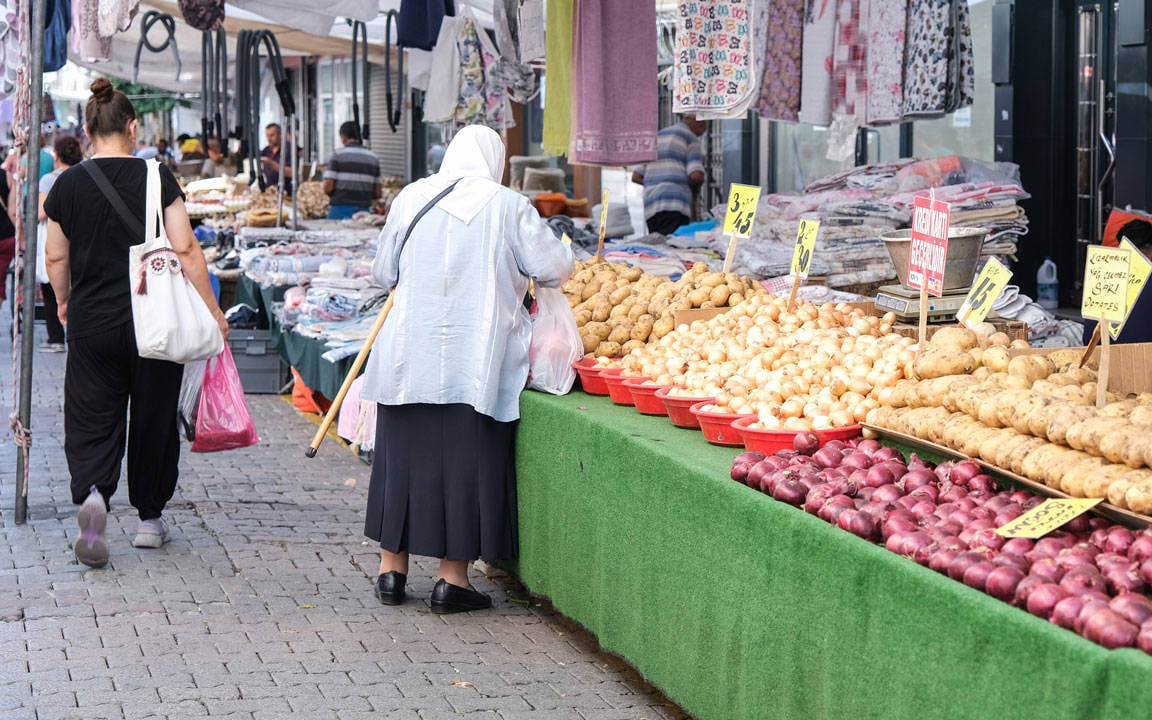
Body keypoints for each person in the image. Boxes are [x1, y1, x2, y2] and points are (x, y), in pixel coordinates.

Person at [361, 125, 574, 614]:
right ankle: (451, 580)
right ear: (494, 160)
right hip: (475, 360)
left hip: (407, 356)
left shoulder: (412, 197)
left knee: (402, 462)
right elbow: (554, 267)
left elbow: (382, 272)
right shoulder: (508, 206)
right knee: (463, 464)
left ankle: (391, 571)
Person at [43, 78, 229, 569]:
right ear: (132, 127)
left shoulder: (67, 184)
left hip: (91, 322)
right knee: (153, 417)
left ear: (87, 131)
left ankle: (93, 498)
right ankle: (149, 518)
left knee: (92, 417)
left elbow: (54, 257)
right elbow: (186, 247)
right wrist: (213, 310)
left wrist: (63, 302)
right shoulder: (156, 175)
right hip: (156, 322)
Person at [37, 135, 83, 352]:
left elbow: (40, 212)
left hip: (54, 235)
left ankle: (55, 337)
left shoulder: (49, 180)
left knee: (50, 285)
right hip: (80, 235)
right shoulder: (85, 174)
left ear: (57, 155)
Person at [631, 116, 707, 235]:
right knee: (672, 244)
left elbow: (636, 176)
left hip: (651, 206)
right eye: (703, 127)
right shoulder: (690, 138)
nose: (702, 132)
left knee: (658, 244)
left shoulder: (657, 137)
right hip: (675, 203)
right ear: (698, 122)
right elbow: (696, 176)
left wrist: (657, 182)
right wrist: (695, 190)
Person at [1083, 218, 1152, 344]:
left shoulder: (1101, 274)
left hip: (1095, 351)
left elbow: (1088, 337)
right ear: (1149, 248)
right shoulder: (1148, 277)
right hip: (1142, 353)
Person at [323, 121, 382, 219]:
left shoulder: (337, 155)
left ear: (343, 137)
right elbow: (378, 192)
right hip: (363, 213)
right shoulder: (373, 158)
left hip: (339, 211)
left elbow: (328, 187)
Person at [260, 123, 293, 191]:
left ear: (280, 134)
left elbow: (291, 173)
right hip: (270, 190)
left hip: (286, 191)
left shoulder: (289, 149)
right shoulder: (266, 150)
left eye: (272, 135)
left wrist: (271, 163)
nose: (269, 139)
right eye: (267, 135)